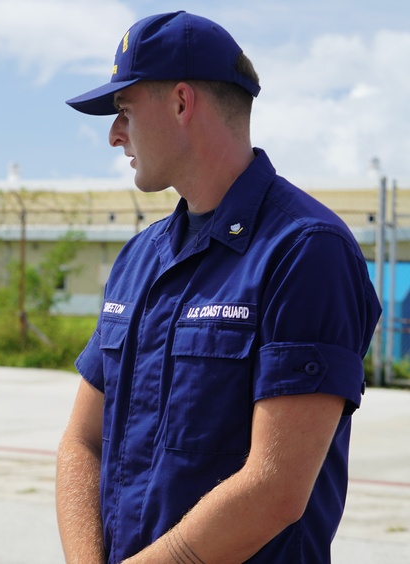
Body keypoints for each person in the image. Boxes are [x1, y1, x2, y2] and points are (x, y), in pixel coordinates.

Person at [55, 11, 381, 563]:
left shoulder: (305, 250)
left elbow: (274, 490)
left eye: (124, 111)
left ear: (182, 103)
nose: (114, 135)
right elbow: (82, 442)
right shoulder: (141, 257)